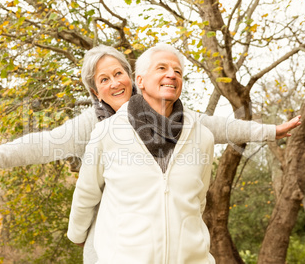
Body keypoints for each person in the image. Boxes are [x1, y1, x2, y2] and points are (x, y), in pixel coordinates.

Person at [0, 45, 301, 263]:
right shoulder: (92, 125)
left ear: (133, 77)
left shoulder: (174, 114)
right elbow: (38, 145)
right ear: (95, 90)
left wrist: (271, 131)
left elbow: (221, 127)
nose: (114, 83)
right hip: (112, 244)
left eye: (118, 73)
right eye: (103, 80)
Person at [67, 44, 216, 263]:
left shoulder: (203, 137)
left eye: (178, 71)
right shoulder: (107, 132)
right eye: (162, 68)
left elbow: (198, 201)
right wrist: (78, 234)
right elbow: (87, 191)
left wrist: (269, 131)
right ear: (140, 81)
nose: (171, 75)